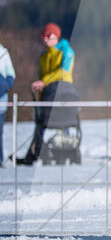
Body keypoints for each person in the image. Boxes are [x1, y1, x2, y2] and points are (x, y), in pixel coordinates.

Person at [18, 23, 75, 165]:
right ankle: (33, 154)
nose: (45, 39)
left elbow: (63, 72)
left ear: (57, 36)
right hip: (47, 95)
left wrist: (44, 81)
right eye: (43, 36)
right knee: (40, 123)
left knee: (61, 124)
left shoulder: (67, 51)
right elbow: (41, 76)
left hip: (62, 92)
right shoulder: (43, 56)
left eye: (48, 36)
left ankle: (61, 152)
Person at [0, 41, 14, 163]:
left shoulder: (3, 52)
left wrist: (8, 85)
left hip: (2, 97)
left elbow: (11, 73)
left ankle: (0, 159)